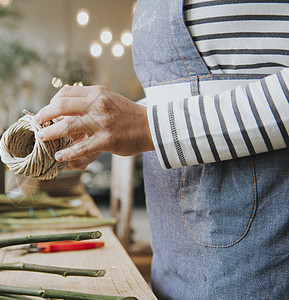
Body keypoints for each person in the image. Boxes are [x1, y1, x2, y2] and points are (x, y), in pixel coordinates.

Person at [34, 1, 289, 299]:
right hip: (173, 251)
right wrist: (114, 125)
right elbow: (185, 90)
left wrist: (149, 126)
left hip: (261, 254)